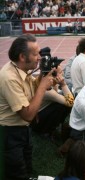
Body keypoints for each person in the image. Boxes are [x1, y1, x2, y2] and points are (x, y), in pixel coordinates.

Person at [0, 34, 55, 180]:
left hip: (22, 129)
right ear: (22, 57)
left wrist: (45, 76)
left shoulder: (21, 70)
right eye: (36, 54)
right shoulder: (9, 78)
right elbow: (27, 115)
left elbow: (33, 88)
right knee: (16, 172)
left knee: (26, 164)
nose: (40, 57)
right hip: (9, 133)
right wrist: (43, 87)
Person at [31, 64, 74, 136]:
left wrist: (55, 84)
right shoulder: (48, 92)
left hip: (36, 119)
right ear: (53, 75)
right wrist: (63, 84)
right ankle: (47, 130)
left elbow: (57, 93)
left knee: (65, 98)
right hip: (37, 123)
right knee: (63, 105)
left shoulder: (42, 82)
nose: (62, 75)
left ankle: (49, 128)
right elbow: (71, 102)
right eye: (60, 73)